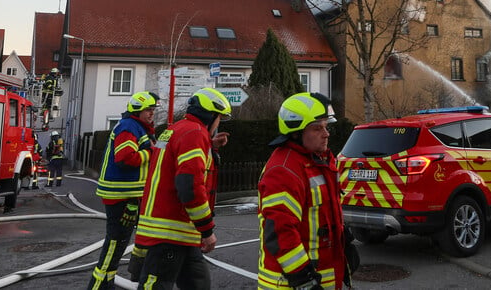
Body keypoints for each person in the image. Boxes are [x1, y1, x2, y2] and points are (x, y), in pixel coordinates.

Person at [257, 92, 358, 290]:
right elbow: (280, 232)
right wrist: (303, 279)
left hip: (323, 276)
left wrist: (344, 242)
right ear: (296, 132)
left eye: (326, 127)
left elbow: (324, 214)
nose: (326, 134)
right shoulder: (283, 170)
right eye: (317, 128)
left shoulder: (319, 161)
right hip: (290, 283)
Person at [134, 87, 232, 289]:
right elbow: (190, 187)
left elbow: (174, 166)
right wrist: (207, 230)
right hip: (171, 231)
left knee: (198, 283)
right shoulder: (195, 134)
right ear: (211, 115)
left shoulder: (177, 129)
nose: (218, 123)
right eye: (219, 118)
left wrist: (209, 146)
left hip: (179, 230)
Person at [86, 91, 158, 290]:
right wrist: (150, 152)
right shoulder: (129, 127)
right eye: (148, 110)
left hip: (128, 194)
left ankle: (107, 281)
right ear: (137, 110)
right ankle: (98, 284)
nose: (152, 113)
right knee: (115, 242)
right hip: (120, 195)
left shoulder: (138, 127)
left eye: (153, 110)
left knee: (120, 243)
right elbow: (125, 158)